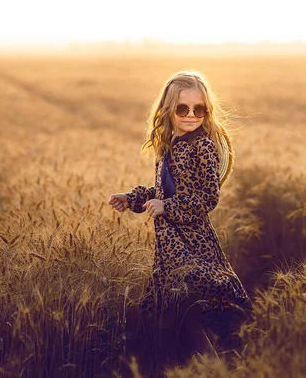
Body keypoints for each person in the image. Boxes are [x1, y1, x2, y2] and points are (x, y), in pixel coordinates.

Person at [108, 70, 252, 368]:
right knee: (164, 315)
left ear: (206, 111)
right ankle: (171, 366)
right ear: (168, 111)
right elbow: (161, 191)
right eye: (182, 109)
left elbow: (208, 197)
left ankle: (215, 367)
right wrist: (132, 199)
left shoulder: (203, 147)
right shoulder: (168, 146)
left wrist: (168, 207)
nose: (190, 115)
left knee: (197, 310)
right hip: (168, 248)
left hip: (192, 244)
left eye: (199, 109)